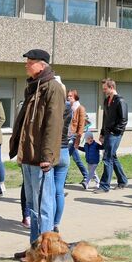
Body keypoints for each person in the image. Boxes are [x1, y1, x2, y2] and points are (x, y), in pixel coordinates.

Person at [9, 49, 66, 248]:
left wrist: (47, 157)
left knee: (43, 207)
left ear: (42, 65)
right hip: (28, 156)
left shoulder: (53, 88)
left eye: (30, 62)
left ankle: (46, 250)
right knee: (32, 205)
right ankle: (34, 247)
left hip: (41, 158)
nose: (26, 65)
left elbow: (53, 125)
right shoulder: (33, 87)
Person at [97, 78, 129, 193]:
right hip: (107, 133)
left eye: (105, 89)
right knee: (112, 156)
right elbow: (105, 118)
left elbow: (124, 120)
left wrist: (114, 131)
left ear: (111, 87)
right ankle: (123, 180)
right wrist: (102, 133)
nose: (103, 91)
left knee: (107, 158)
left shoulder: (120, 101)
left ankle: (104, 186)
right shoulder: (107, 101)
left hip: (114, 134)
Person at [52, 79, 72, 231]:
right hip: (65, 151)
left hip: (53, 151)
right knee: (59, 191)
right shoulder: (69, 108)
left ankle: (48, 221)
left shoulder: (54, 107)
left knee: (49, 191)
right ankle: (56, 223)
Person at [66, 89, 91, 189]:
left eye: (70, 96)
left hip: (74, 136)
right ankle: (86, 176)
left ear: (75, 97)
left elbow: (80, 126)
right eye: (68, 96)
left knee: (66, 157)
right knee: (76, 158)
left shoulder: (80, 108)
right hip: (67, 136)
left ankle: (63, 179)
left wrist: (77, 139)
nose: (68, 98)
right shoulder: (68, 107)